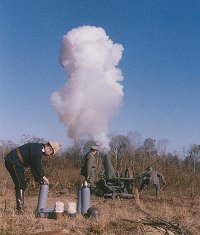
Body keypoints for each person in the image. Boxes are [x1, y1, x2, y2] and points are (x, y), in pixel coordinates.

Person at [4, 141, 62, 212]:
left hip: (17, 162)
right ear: (49, 149)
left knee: (22, 183)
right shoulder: (37, 149)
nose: (50, 155)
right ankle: (20, 209)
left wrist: (39, 179)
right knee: (20, 183)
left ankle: (20, 208)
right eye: (51, 153)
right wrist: (43, 176)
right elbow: (37, 165)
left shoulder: (38, 149)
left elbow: (33, 167)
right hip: (13, 160)